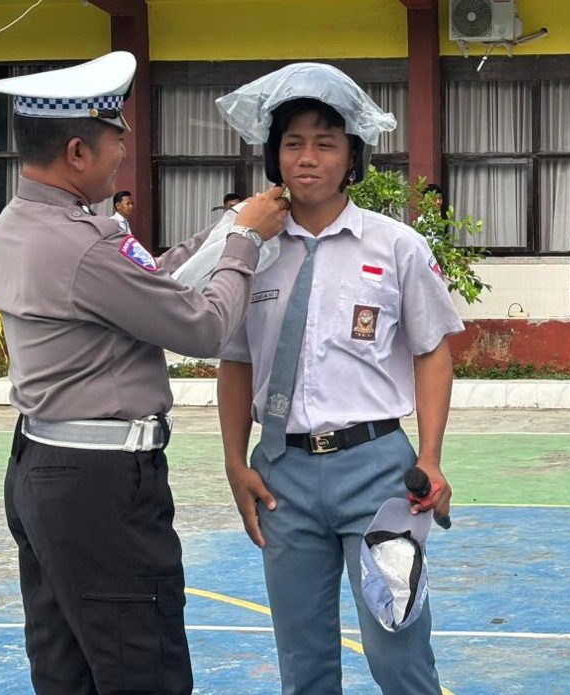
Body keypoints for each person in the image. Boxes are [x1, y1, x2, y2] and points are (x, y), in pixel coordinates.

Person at [0, 51, 288, 694]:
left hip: (46, 469)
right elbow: (205, 328)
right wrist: (247, 244)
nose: (124, 152)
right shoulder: (82, 242)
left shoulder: (22, 223)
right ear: (76, 152)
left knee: (68, 667)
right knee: (141, 665)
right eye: (115, 139)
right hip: (101, 490)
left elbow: (147, 279)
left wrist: (225, 230)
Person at [215, 62, 462, 693]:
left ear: (352, 156)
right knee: (304, 661)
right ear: (274, 155)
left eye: (326, 143)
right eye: (293, 143)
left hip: (379, 471)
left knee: (398, 651)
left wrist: (430, 458)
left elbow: (433, 351)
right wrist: (234, 461)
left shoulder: (397, 246)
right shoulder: (252, 252)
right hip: (282, 476)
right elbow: (236, 359)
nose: (307, 158)